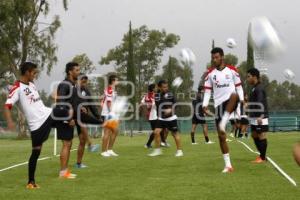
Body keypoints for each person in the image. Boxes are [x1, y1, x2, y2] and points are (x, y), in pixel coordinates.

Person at [3, 62, 71, 189]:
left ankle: (72, 127)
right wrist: (10, 122)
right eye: (34, 73)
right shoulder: (17, 87)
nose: (35, 75)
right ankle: (31, 182)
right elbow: (7, 106)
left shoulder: (32, 85)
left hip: (48, 115)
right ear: (27, 72)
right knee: (36, 152)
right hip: (37, 125)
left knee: (67, 111)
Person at [202, 47, 244, 173]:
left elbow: (239, 87)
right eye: (213, 58)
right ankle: (228, 165)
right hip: (218, 106)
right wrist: (204, 105)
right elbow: (208, 92)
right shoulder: (210, 74)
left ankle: (226, 119)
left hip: (232, 101)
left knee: (235, 96)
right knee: (221, 136)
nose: (214, 60)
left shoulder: (232, 70)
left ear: (222, 57)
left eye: (216, 57)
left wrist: (242, 100)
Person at [55, 62, 81, 179]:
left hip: (69, 118)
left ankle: (65, 170)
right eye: (76, 70)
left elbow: (72, 102)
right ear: (70, 72)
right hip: (64, 118)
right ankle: (63, 172)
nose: (78, 72)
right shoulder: (65, 84)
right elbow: (60, 102)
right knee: (66, 144)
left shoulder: (73, 85)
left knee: (69, 144)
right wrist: (68, 118)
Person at [148, 80, 183, 157]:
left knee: (175, 134)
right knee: (156, 132)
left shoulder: (171, 94)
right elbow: (159, 105)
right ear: (159, 87)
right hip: (161, 118)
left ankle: (179, 151)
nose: (166, 88)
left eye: (167, 87)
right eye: (164, 87)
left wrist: (170, 109)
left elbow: (176, 104)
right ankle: (157, 151)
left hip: (171, 118)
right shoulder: (157, 95)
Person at [74, 74, 102, 168]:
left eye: (86, 82)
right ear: (78, 80)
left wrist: (98, 116)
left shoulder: (86, 91)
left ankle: (78, 163)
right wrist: (80, 107)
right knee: (82, 122)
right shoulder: (73, 89)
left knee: (82, 140)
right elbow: (72, 101)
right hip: (75, 115)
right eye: (82, 81)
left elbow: (92, 104)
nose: (84, 84)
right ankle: (90, 144)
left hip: (83, 116)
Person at [246, 68, 269, 163]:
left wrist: (261, 115)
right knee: (254, 135)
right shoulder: (254, 88)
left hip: (260, 116)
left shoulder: (259, 88)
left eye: (248, 77)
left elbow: (260, 102)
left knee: (261, 135)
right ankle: (262, 155)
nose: (247, 79)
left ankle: (262, 158)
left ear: (254, 77)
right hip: (254, 116)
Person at [100, 75, 119, 157]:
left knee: (115, 131)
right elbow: (108, 102)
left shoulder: (113, 90)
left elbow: (102, 101)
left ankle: (110, 150)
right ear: (113, 81)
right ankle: (104, 151)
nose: (118, 81)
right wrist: (111, 113)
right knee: (107, 132)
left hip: (111, 113)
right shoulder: (109, 90)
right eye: (117, 80)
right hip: (107, 114)